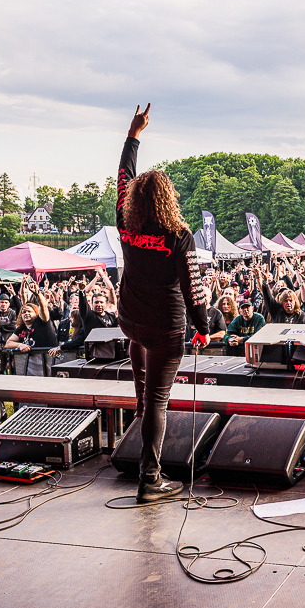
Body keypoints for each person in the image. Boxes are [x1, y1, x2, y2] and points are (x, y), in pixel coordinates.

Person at [115, 104, 210, 503]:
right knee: (158, 401)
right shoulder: (179, 235)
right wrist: (203, 326)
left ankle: (140, 407)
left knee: (146, 394)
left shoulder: (125, 220)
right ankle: (150, 479)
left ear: (135, 198)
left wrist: (133, 135)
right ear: (169, 199)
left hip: (130, 320)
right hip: (164, 327)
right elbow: (193, 288)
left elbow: (122, 175)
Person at [5, 277, 60, 375]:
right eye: (24, 312)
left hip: (49, 362)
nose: (26, 314)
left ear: (36, 313)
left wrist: (37, 293)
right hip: (32, 366)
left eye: (29, 311)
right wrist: (20, 345)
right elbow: (8, 343)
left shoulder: (42, 322)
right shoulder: (21, 328)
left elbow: (43, 306)